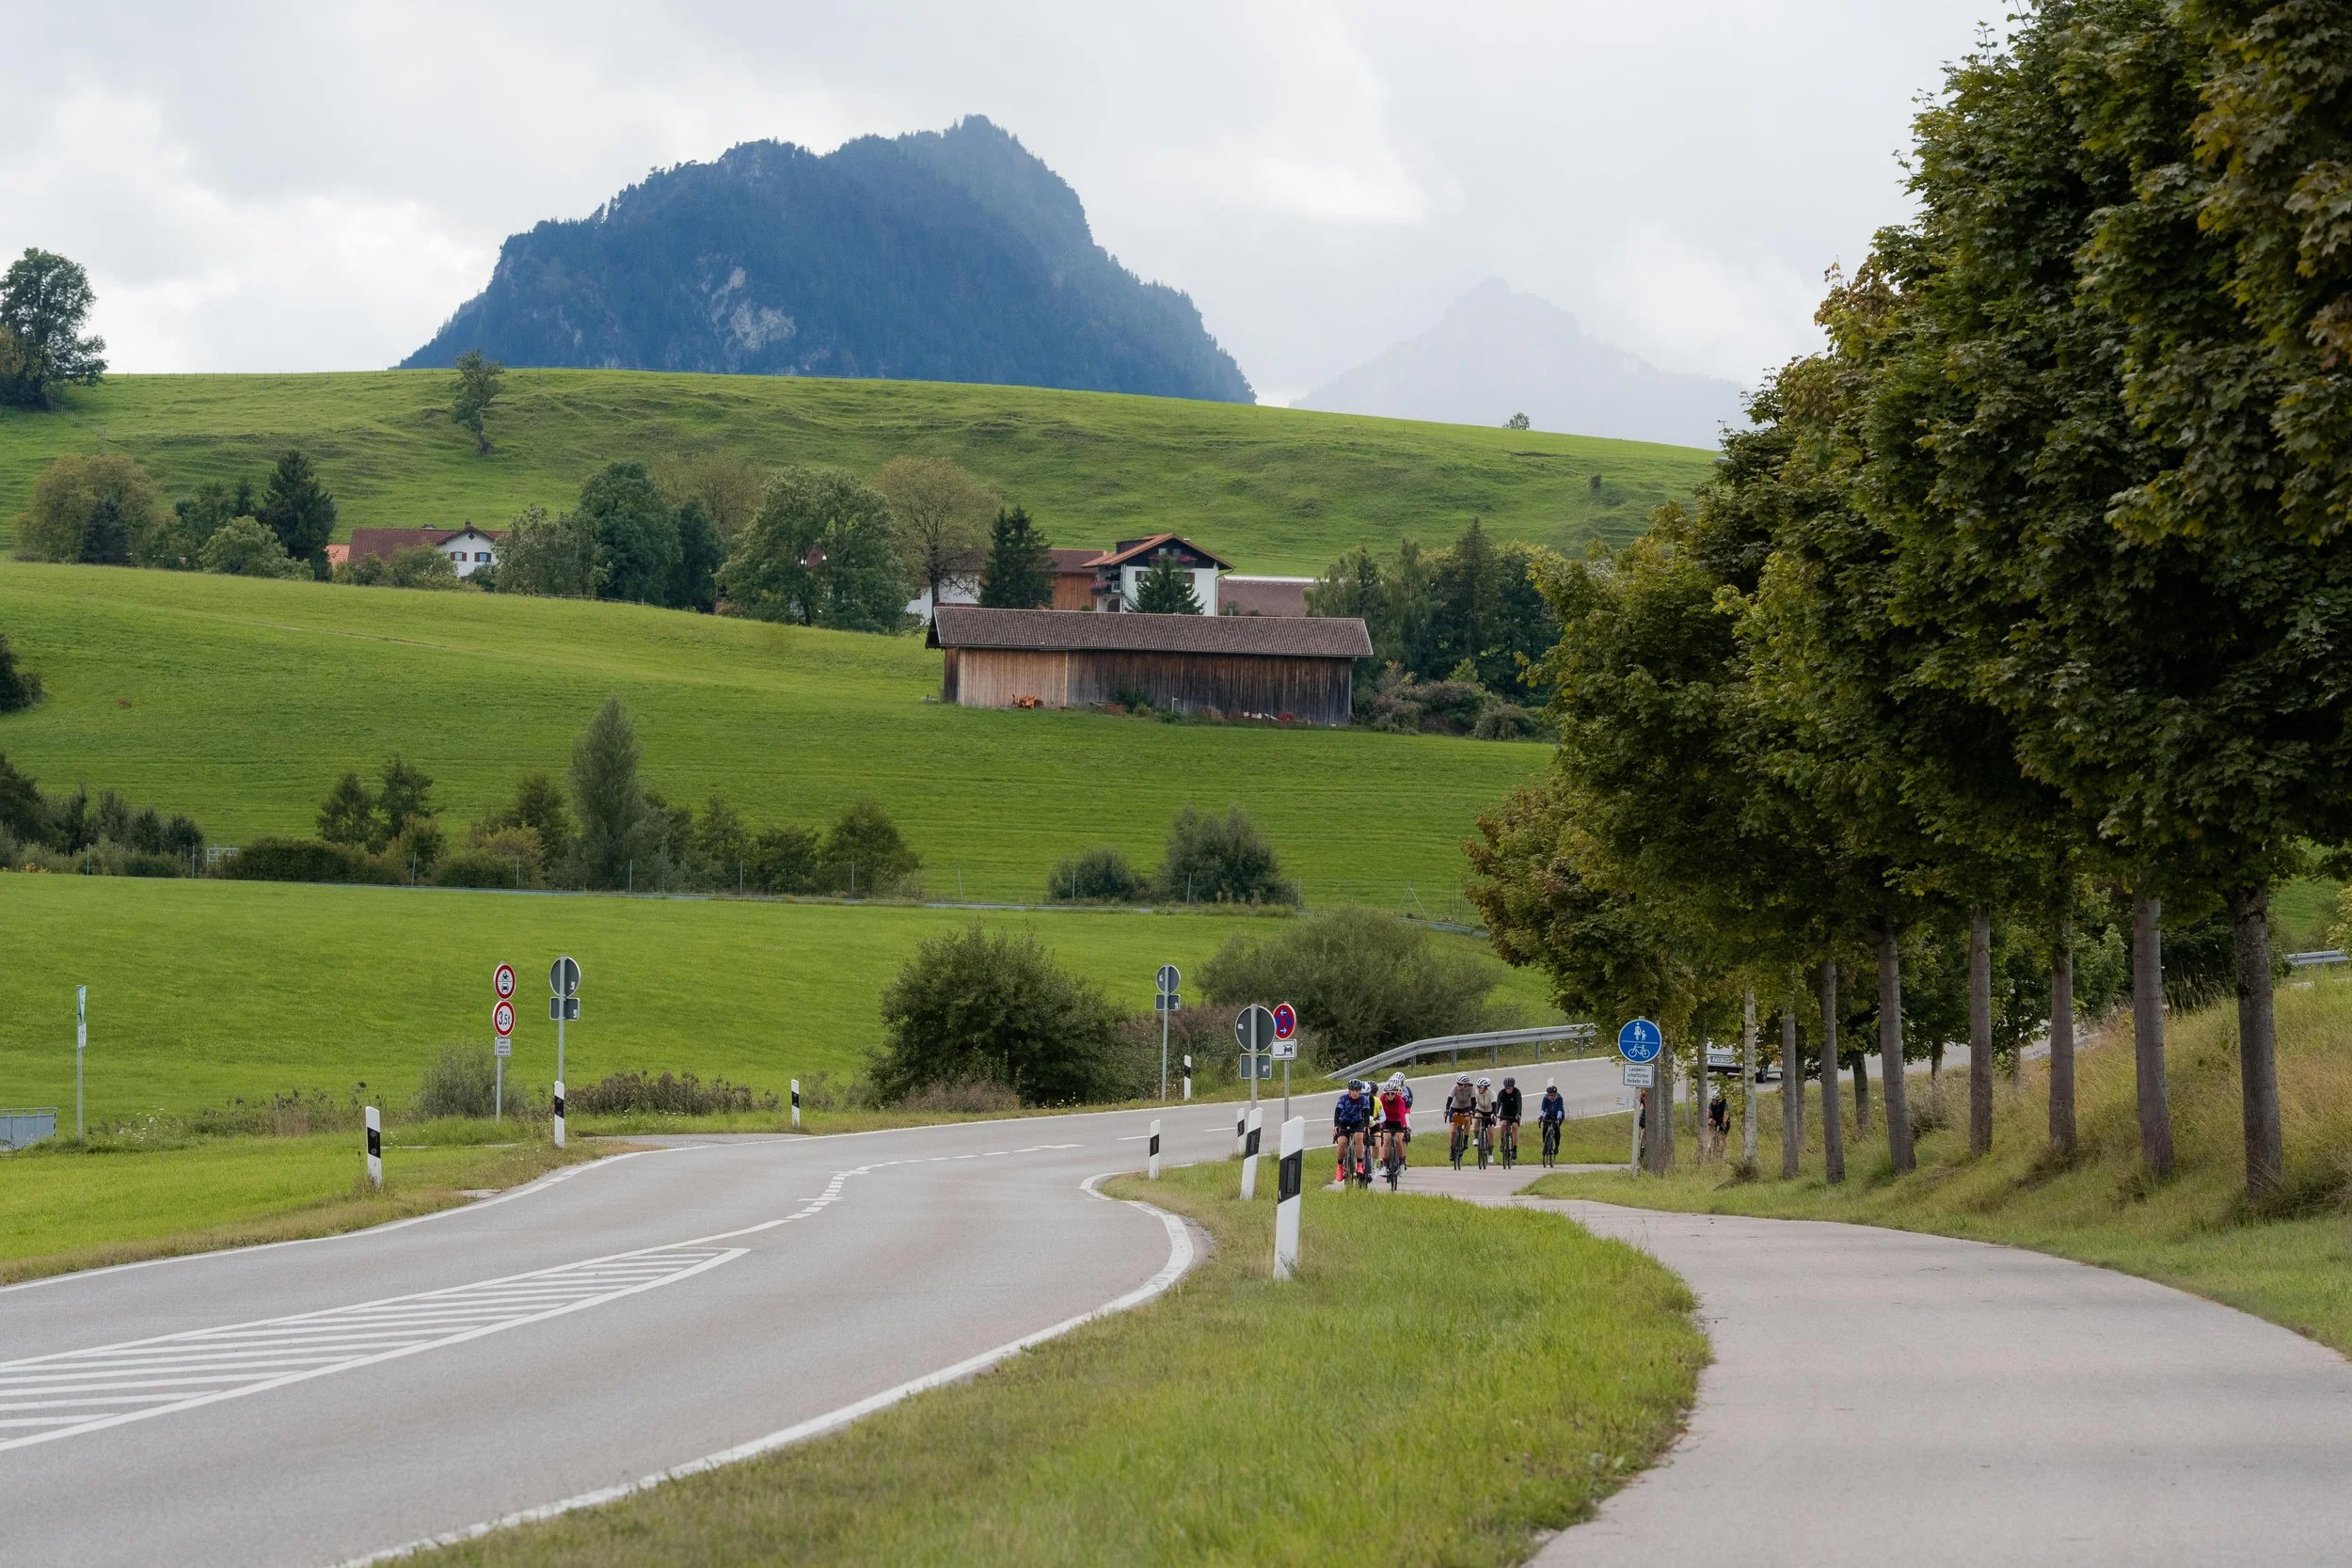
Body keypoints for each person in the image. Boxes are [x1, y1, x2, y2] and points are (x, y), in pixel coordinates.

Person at [1333, 1080, 1372, 1185]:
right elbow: (1337, 1113)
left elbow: (1366, 1114)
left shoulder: (1364, 1099)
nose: (1355, 1092)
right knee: (1342, 1143)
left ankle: (1359, 1164)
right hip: (1343, 1122)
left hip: (1357, 1122)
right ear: (1349, 1090)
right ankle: (1340, 1167)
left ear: (1360, 1091)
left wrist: (1366, 1126)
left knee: (1359, 1138)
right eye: (1352, 1090)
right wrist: (1336, 1126)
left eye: (1357, 1090)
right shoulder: (1343, 1099)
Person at [1378, 1074, 1412, 1175]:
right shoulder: (1382, 1098)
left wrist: (1404, 1125)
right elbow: (1379, 1113)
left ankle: (1401, 1164)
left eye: (1392, 1093)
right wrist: (1379, 1124)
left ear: (1395, 1093)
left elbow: (1402, 1113)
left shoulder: (1399, 1100)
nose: (1389, 1095)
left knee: (1398, 1140)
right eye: (1387, 1093)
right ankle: (1384, 1165)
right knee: (1387, 1140)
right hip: (1387, 1121)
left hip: (1398, 1121)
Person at [1445, 1073, 1477, 1168]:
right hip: (1455, 1108)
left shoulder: (1471, 1089)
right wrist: (1447, 1110)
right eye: (1458, 1083)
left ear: (1466, 1084)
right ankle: (1452, 1150)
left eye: (1461, 1084)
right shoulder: (1454, 1088)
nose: (1458, 1085)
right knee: (1452, 1131)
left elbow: (1473, 1102)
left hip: (1466, 1108)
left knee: (1467, 1119)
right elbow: (1449, 1100)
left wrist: (1472, 1111)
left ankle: (1466, 1140)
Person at [1496, 1075, 1523, 1167]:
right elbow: (1498, 1104)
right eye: (1506, 1088)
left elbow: (1519, 1104)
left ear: (1513, 1086)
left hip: (1514, 1113)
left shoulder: (1517, 1092)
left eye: (1510, 1088)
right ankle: (1502, 1141)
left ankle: (1514, 1149)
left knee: (1515, 1127)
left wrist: (1519, 1114)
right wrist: (1495, 1113)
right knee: (1503, 1125)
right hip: (1505, 1113)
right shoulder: (1501, 1093)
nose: (1508, 1090)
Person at [1538, 1077, 1566, 1165]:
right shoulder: (1545, 1098)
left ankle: (1556, 1145)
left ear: (1555, 1094)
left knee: (1556, 1129)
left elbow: (1559, 1109)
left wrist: (1558, 1119)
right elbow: (1543, 1108)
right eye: (1549, 1095)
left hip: (1558, 1115)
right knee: (1545, 1129)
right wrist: (1541, 1117)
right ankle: (1545, 1145)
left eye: (1552, 1095)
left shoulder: (1559, 1098)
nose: (1550, 1097)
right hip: (1548, 1115)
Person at [1472, 1076, 1498, 1168]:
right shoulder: (1476, 1093)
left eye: (1480, 1087)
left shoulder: (1492, 1094)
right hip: (1480, 1110)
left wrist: (1493, 1114)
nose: (1478, 1089)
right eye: (1477, 1087)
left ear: (1486, 1088)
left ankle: (1490, 1154)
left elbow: (1495, 1106)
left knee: (1490, 1132)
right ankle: (1476, 1138)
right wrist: (1472, 1112)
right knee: (1477, 1117)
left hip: (1490, 1113)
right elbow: (1473, 1105)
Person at [1707, 1086, 1729, 1159]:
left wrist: (1724, 1123)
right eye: (1712, 1099)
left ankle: (1723, 1154)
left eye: (1715, 1100)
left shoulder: (1725, 1104)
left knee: (1723, 1138)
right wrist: (1707, 1123)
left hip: (1724, 1119)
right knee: (1710, 1121)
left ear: (1719, 1100)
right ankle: (1711, 1138)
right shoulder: (1710, 1104)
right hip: (1715, 1119)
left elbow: (1726, 1115)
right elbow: (1708, 1114)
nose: (1713, 1101)